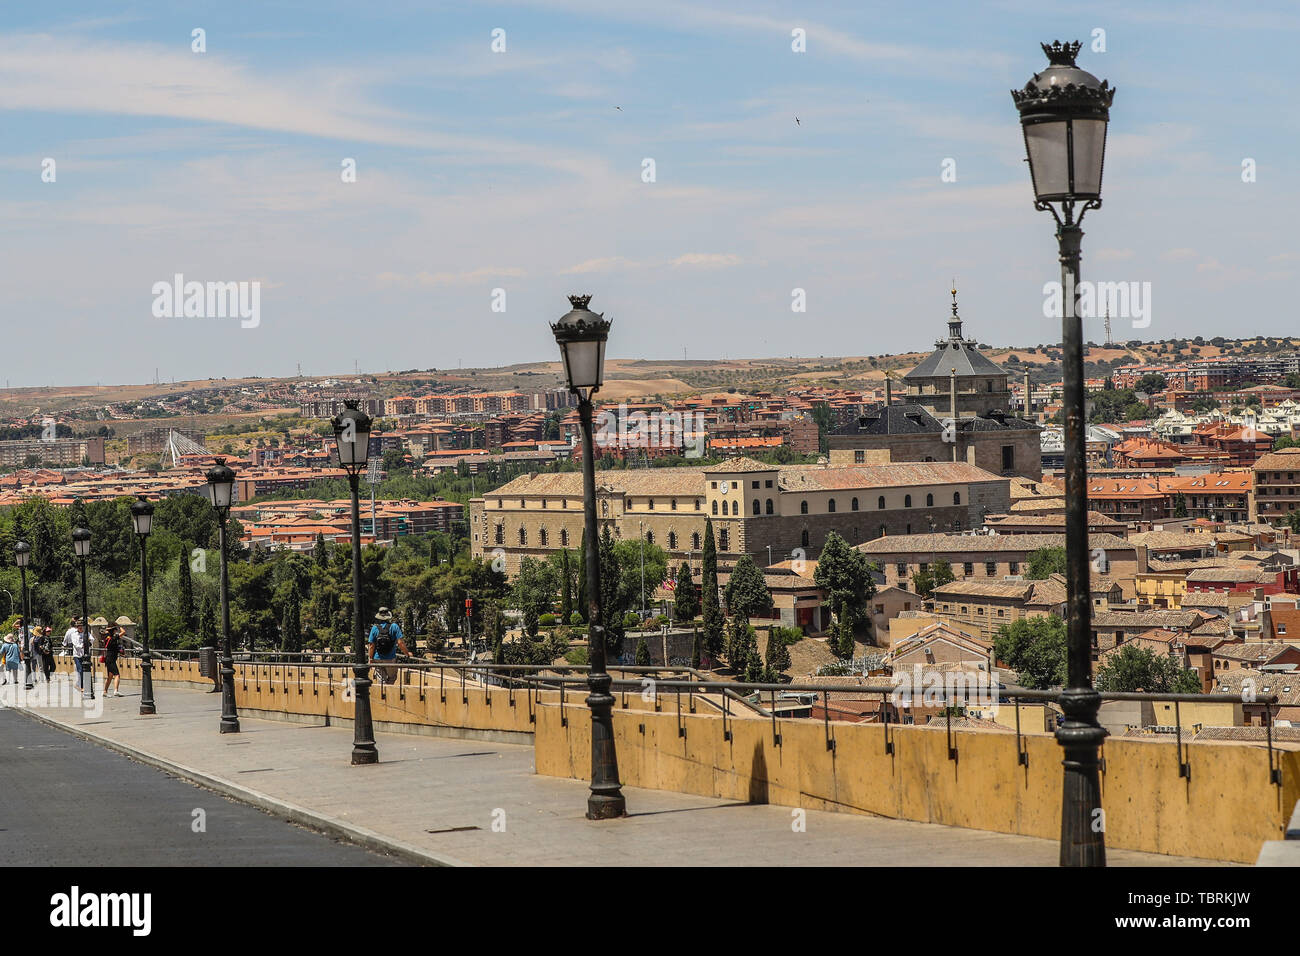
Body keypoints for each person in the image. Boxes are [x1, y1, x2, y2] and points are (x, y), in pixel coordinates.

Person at [367, 607, 408, 686]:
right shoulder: (394, 626)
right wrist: (407, 653)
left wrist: (370, 659)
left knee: (381, 680)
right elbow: (400, 643)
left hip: (377, 658)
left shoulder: (374, 628)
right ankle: (388, 692)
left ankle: (383, 693)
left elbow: (371, 645)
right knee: (392, 677)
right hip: (390, 658)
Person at [63, 617, 87, 690]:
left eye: (81, 626)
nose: (80, 627)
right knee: (80, 670)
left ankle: (80, 684)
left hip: (84, 654)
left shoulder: (86, 633)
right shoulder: (74, 634)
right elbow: (76, 644)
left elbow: (92, 639)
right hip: (77, 654)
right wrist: (82, 645)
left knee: (83, 670)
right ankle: (81, 686)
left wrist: (88, 642)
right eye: (79, 626)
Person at [101, 625, 123, 697]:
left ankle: (104, 691)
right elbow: (123, 632)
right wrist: (120, 626)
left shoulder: (107, 638)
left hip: (108, 659)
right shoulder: (114, 638)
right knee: (117, 675)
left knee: (110, 676)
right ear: (114, 631)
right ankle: (116, 690)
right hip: (111, 659)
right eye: (115, 630)